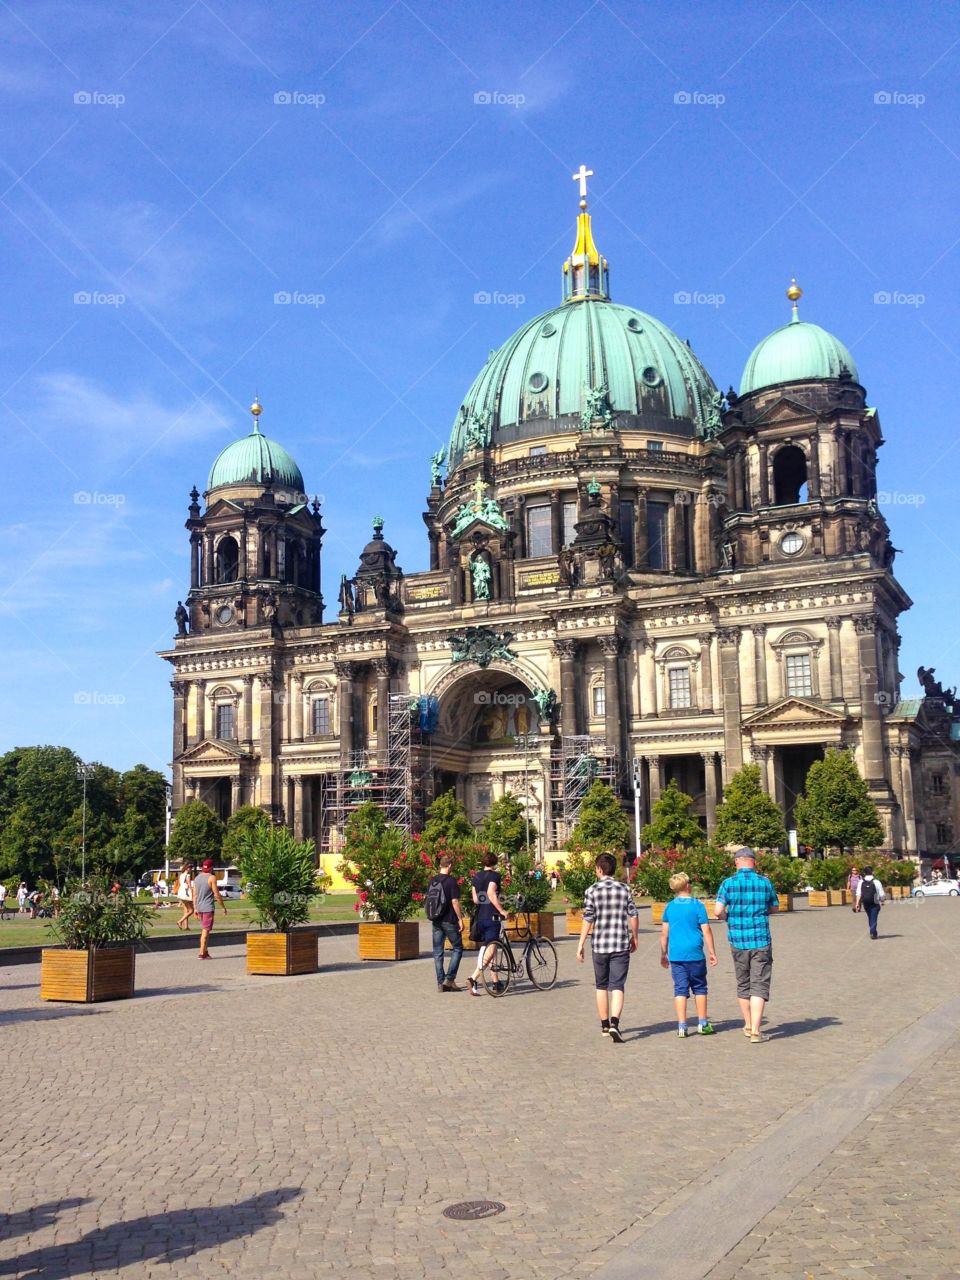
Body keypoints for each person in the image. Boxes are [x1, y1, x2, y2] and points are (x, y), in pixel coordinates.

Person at [714, 846, 779, 1043]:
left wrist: (729, 917)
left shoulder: (728, 883)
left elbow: (717, 911)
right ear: (754, 862)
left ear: (737, 862)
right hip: (760, 939)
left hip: (738, 940)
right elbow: (775, 907)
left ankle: (748, 1023)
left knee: (743, 983)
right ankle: (756, 1031)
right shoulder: (764, 882)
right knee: (759, 984)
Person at [576, 853, 639, 1043]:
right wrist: (634, 937)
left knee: (601, 985)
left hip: (600, 945)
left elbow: (588, 918)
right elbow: (633, 915)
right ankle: (614, 1024)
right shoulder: (624, 889)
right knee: (618, 985)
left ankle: (604, 1026)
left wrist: (580, 944)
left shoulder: (591, 891)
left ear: (600, 870)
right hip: (620, 942)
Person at [660, 872, 719, 1037]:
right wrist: (712, 952)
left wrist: (663, 954)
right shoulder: (697, 905)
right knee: (700, 988)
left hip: (676, 955)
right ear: (687, 886)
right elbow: (706, 930)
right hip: (695, 954)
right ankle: (702, 1023)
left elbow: (664, 934)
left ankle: (682, 1026)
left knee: (680, 990)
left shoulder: (670, 907)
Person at [468, 852, 509, 997]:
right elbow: (491, 893)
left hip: (480, 917)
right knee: (491, 951)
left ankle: (496, 981)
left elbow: (475, 899)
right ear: (494, 862)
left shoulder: (476, 877)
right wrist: (502, 910)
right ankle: (473, 978)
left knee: (492, 948)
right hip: (492, 918)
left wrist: (495, 898)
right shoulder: (495, 876)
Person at [426, 852, 465, 992]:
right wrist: (460, 919)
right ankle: (450, 980)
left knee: (437, 952)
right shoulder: (451, 881)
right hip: (449, 920)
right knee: (458, 948)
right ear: (449, 865)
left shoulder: (433, 880)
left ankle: (440, 982)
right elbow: (454, 901)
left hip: (436, 920)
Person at [191, 858, 227, 959]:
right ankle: (201, 953)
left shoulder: (197, 878)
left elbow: (194, 895)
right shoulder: (212, 878)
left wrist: (195, 909)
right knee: (205, 930)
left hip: (199, 907)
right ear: (211, 867)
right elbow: (216, 894)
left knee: (206, 930)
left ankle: (206, 952)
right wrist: (223, 907)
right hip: (208, 907)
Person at [855, 865, 885, 939]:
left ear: (864, 873)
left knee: (870, 917)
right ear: (872, 872)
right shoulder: (876, 882)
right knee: (873, 918)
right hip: (875, 902)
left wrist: (857, 904)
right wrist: (882, 901)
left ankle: (873, 931)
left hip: (865, 902)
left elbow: (858, 893)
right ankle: (872, 932)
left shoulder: (861, 882)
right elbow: (881, 894)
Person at [176, 862, 195, 931]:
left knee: (186, 910)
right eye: (190, 868)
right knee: (191, 910)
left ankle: (186, 926)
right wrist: (192, 894)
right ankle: (180, 921)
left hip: (181, 892)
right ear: (187, 868)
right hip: (186, 893)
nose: (191, 869)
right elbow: (189, 885)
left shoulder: (181, 875)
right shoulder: (188, 875)